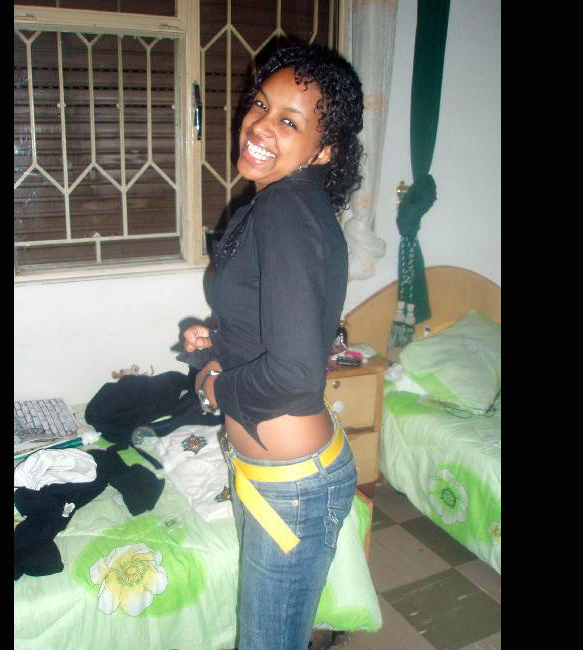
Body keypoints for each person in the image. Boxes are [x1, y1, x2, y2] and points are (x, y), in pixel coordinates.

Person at [182, 42, 364, 650]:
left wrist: (215, 388)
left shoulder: (285, 208)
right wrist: (218, 343)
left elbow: (293, 376)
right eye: (260, 105)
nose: (260, 125)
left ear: (324, 149)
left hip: (291, 485)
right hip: (273, 473)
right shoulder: (279, 203)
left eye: (289, 121)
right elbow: (275, 324)